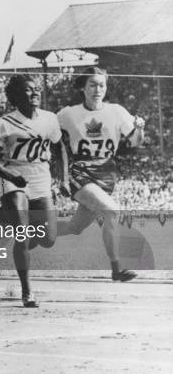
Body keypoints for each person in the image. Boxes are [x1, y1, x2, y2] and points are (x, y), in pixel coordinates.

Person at [0, 75, 65, 307]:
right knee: (22, 233)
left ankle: (1, 217)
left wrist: (64, 178)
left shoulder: (49, 119)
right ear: (16, 96)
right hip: (15, 180)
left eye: (37, 89)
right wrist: (10, 176)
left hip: (41, 178)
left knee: (48, 239)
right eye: (29, 90)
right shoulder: (3, 124)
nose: (35, 93)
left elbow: (61, 150)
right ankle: (27, 292)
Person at [57, 67, 144, 282]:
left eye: (102, 84)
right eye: (92, 84)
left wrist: (140, 128)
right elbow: (47, 132)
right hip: (81, 172)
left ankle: (33, 232)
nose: (98, 89)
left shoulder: (116, 111)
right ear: (83, 88)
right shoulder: (69, 113)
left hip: (106, 175)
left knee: (74, 227)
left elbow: (135, 142)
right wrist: (58, 172)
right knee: (112, 210)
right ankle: (117, 269)